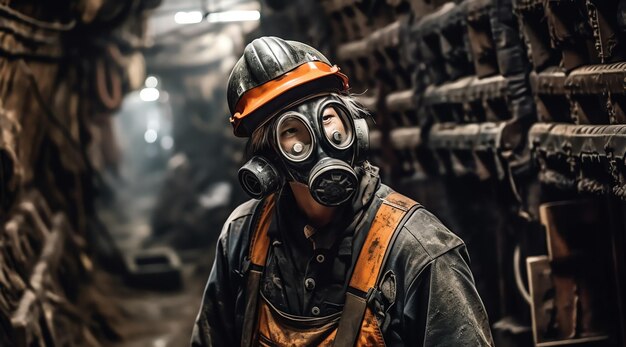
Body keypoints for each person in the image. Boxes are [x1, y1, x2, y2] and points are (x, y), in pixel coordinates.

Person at [191, 36, 494, 346]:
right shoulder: (244, 237)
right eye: (293, 130)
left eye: (326, 118)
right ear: (267, 159)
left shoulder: (419, 250)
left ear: (354, 127)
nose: (319, 140)